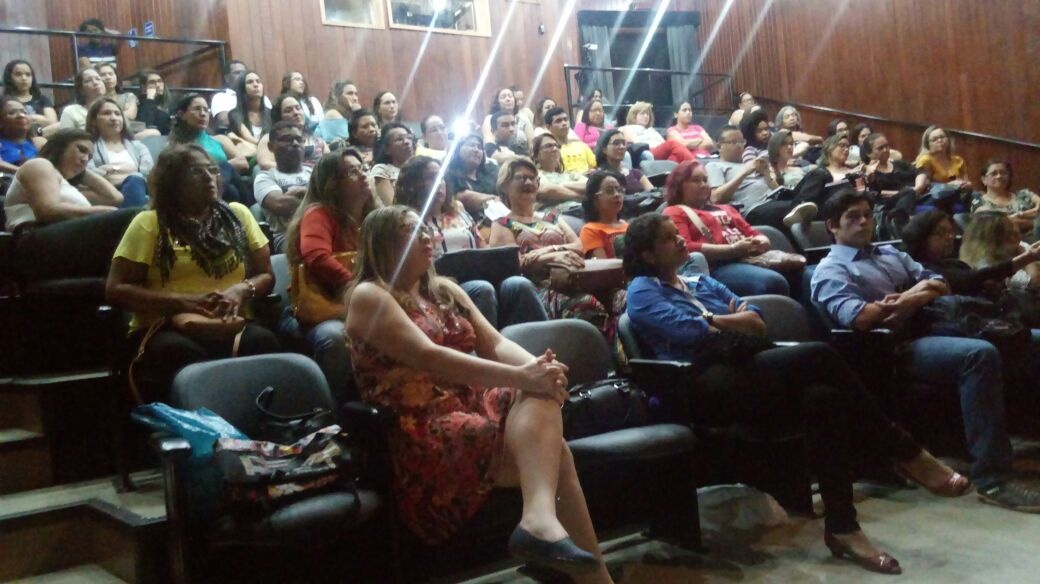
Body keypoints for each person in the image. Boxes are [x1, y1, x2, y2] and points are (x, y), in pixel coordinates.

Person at [624, 211, 969, 575]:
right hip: (698, 384)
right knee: (818, 355)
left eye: (677, 233)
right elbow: (688, 332)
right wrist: (721, 321)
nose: (680, 239)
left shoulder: (697, 281)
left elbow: (756, 318)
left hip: (740, 368)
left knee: (824, 399)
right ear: (647, 254)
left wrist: (716, 322)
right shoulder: (642, 291)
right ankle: (903, 449)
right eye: (668, 238)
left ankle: (843, 527)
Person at [344, 205, 612, 581]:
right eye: (410, 231)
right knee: (558, 453)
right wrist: (523, 376)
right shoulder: (369, 296)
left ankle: (542, 525)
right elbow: (431, 357)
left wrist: (541, 370)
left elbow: (497, 344)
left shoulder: (445, 291)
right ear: (382, 242)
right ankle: (566, 551)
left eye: (426, 230)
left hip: (471, 404)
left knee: (538, 395)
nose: (426, 237)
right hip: (422, 425)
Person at [811, 189, 1040, 512]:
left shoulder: (889, 254)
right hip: (895, 347)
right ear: (832, 226)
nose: (864, 222)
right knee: (979, 354)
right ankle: (993, 479)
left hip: (938, 327)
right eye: (853, 217)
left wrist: (909, 298)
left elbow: (940, 282)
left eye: (867, 214)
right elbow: (859, 317)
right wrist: (918, 294)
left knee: (1032, 339)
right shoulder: (830, 270)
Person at [106, 143, 279, 399]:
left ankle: (254, 420)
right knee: (180, 353)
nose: (210, 178)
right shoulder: (149, 223)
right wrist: (184, 302)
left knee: (263, 343)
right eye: (197, 172)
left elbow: (266, 275)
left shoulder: (238, 215)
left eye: (212, 170)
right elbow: (116, 289)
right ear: (172, 182)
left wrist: (240, 290)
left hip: (229, 323)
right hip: (164, 326)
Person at [394, 156, 547, 328]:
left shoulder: (457, 210)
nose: (439, 183)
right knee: (482, 288)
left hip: (481, 275)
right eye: (430, 177)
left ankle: (547, 339)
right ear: (412, 184)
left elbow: (482, 247)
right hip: (439, 284)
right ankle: (489, 344)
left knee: (518, 284)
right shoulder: (406, 220)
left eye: (441, 178)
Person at [280, 149, 374, 403]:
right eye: (352, 171)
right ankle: (330, 411)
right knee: (336, 337)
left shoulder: (373, 215)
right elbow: (317, 258)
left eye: (363, 168)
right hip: (321, 308)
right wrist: (362, 290)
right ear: (332, 183)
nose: (362, 175)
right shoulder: (319, 214)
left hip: (364, 305)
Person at [489, 157, 610, 336]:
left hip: (572, 279)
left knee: (618, 298)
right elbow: (513, 264)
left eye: (533, 178)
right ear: (505, 186)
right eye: (521, 178)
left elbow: (578, 246)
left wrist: (550, 250)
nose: (528, 182)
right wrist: (553, 257)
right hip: (536, 288)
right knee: (587, 305)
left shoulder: (551, 217)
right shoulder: (502, 224)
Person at [663, 160, 792, 296]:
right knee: (774, 281)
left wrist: (761, 242)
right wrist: (732, 249)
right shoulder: (675, 211)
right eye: (695, 180)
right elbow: (685, 247)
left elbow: (753, 232)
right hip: (717, 267)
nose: (703, 184)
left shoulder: (726, 208)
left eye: (705, 180)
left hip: (748, 259)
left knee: (802, 273)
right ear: (679, 185)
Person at [902, 210, 1040, 297]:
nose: (950, 237)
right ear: (921, 237)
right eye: (941, 233)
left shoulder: (953, 263)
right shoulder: (920, 269)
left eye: (950, 232)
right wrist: (1028, 257)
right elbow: (971, 278)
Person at [5, 128, 122, 230]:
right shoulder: (39, 165)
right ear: (59, 147)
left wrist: (82, 170)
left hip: (69, 234)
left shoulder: (66, 185)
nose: (86, 159)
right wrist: (104, 213)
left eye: (89, 157)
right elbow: (48, 211)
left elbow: (115, 198)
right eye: (82, 150)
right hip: (37, 234)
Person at [706, 125, 816, 232]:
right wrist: (744, 173)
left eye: (741, 141)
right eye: (734, 142)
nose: (739, 146)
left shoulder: (753, 164)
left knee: (817, 174)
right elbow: (716, 198)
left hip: (777, 199)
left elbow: (775, 189)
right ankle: (801, 207)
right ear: (719, 146)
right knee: (809, 206)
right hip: (755, 209)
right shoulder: (714, 166)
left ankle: (801, 206)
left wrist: (766, 174)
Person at [254, 122, 312, 253]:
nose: (295, 143)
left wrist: (303, 191)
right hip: (288, 236)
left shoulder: (314, 172)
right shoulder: (265, 177)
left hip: (322, 228)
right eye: (287, 139)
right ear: (271, 147)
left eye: (299, 139)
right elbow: (282, 205)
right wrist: (320, 198)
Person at [85, 98, 152, 207]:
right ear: (93, 121)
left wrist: (109, 170)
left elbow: (147, 175)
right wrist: (130, 171)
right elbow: (89, 176)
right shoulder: (88, 147)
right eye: (106, 113)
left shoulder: (139, 147)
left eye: (117, 114)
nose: (113, 118)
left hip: (139, 192)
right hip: (107, 198)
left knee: (135, 181)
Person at [168, 94, 248, 174]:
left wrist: (213, 169)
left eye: (206, 110)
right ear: (182, 115)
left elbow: (243, 163)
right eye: (197, 109)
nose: (203, 114)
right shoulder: (174, 145)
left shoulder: (221, 140)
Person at [789, 135, 867, 215]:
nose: (846, 149)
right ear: (830, 148)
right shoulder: (819, 172)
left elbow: (861, 192)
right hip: (819, 206)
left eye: (848, 147)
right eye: (842, 145)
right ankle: (801, 209)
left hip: (842, 208)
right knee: (818, 174)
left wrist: (855, 177)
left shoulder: (855, 172)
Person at [959, 211, 1040, 288]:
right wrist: (1028, 256)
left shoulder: (1016, 247)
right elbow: (1034, 281)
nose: (1017, 235)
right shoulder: (986, 265)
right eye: (1010, 232)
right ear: (995, 238)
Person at [254, 94, 329, 170]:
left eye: (298, 108)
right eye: (288, 111)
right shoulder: (270, 139)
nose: (296, 113)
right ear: (279, 117)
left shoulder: (318, 140)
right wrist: (299, 171)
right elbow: (265, 163)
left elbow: (330, 164)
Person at [970, 160, 1039, 240]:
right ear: (984, 180)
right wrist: (1032, 219)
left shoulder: (1023, 195)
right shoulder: (979, 203)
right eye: (994, 173)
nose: (999, 176)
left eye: (1003, 173)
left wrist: (1021, 215)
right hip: (1001, 243)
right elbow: (993, 227)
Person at [913, 126, 972, 212]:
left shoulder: (958, 160)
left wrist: (967, 185)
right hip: (934, 199)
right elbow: (923, 187)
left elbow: (966, 181)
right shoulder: (926, 160)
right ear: (928, 144)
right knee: (958, 208)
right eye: (934, 139)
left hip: (956, 196)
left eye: (942, 137)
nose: (940, 140)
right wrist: (949, 186)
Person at [618, 102, 694, 164]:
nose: (646, 116)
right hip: (647, 151)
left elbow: (663, 143)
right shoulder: (628, 128)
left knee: (675, 157)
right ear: (634, 115)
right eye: (642, 113)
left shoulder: (651, 130)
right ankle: (696, 165)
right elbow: (635, 144)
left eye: (647, 114)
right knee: (673, 144)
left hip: (659, 151)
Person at [530, 133, 586, 214]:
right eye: (548, 146)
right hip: (555, 216)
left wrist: (557, 188)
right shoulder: (534, 175)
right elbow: (548, 191)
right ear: (536, 156)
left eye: (557, 146)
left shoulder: (570, 175)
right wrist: (581, 196)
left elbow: (590, 186)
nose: (555, 149)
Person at [446, 133, 500, 214]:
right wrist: (496, 200)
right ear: (458, 149)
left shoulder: (491, 169)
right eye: (471, 145)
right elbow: (461, 198)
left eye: (479, 147)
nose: (476, 150)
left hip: (501, 216)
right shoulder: (449, 172)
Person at [210, 60, 272, 130]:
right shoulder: (221, 97)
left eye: (243, 73)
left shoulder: (263, 98)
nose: (241, 76)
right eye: (237, 73)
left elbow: (271, 120)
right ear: (227, 78)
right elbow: (225, 121)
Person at [580, 170, 628, 259]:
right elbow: (603, 264)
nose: (617, 194)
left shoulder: (627, 225)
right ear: (595, 200)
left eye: (619, 190)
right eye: (609, 191)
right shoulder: (590, 230)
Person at [369, 122, 415, 207]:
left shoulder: (418, 169)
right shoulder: (381, 170)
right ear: (387, 149)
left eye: (409, 138)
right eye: (399, 139)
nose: (407, 142)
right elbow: (392, 206)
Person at [594, 129, 651, 194]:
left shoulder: (636, 174)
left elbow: (653, 193)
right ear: (604, 149)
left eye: (624, 143)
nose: (622, 147)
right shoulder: (599, 177)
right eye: (616, 143)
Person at [2, 60, 58, 127]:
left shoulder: (42, 99)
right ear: (9, 77)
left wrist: (26, 118)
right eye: (18, 74)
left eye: (28, 74)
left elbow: (53, 122)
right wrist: (40, 118)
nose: (24, 78)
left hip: (43, 132)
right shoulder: (3, 101)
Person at [227, 71, 271, 156]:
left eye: (258, 81)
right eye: (250, 82)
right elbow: (247, 137)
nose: (256, 85)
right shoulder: (235, 114)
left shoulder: (271, 113)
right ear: (242, 89)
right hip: (249, 156)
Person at [0, 97, 47, 173]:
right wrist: (24, 173)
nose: (21, 115)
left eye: (25, 112)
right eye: (12, 113)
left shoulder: (39, 143)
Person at [481, 87, 532, 154]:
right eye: (503, 97)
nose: (508, 99)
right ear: (497, 102)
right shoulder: (489, 119)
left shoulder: (523, 118)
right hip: (499, 155)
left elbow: (532, 144)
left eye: (510, 96)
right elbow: (489, 146)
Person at [544, 107, 596, 174]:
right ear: (548, 127)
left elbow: (594, 166)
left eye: (566, 119)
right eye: (558, 121)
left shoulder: (581, 146)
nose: (564, 123)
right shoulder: (549, 151)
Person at [55, 68, 106, 134]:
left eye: (98, 79)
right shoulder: (71, 111)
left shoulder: (114, 108)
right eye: (88, 81)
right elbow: (66, 137)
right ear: (81, 90)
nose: (95, 82)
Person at [316, 79, 362, 146]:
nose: (355, 98)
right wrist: (358, 114)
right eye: (350, 93)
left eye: (356, 94)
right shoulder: (333, 114)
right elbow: (347, 144)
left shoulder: (348, 116)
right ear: (337, 96)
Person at [134, 69, 173, 135]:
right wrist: (150, 99)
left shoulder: (170, 102)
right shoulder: (139, 105)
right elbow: (145, 126)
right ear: (143, 87)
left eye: (160, 81)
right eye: (152, 82)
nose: (158, 85)